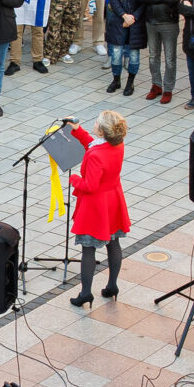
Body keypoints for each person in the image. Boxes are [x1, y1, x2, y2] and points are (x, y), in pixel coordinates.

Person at [67, 110, 131, 307]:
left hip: (95, 206)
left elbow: (90, 185)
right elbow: (92, 144)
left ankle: (86, 292)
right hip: (113, 200)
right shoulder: (117, 145)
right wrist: (78, 131)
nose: (94, 124)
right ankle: (112, 285)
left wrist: (74, 179)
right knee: (114, 243)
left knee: (88, 248)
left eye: (96, 123)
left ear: (102, 131)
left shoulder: (96, 154)